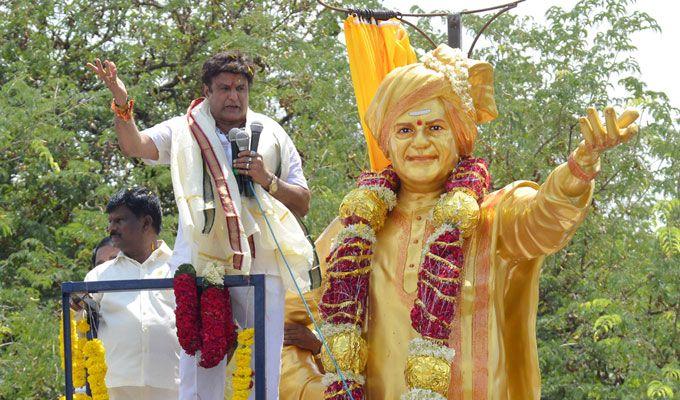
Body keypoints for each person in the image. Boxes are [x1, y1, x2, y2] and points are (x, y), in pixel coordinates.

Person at [282, 44, 640, 399]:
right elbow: (280, 319)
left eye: (435, 127)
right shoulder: (353, 232)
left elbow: (545, 219)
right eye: (405, 130)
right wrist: (313, 389)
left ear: (460, 137)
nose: (420, 142)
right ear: (387, 143)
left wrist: (580, 167)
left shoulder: (494, 217)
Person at [87, 50, 314, 400]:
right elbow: (135, 145)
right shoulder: (185, 129)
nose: (233, 96)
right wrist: (120, 100)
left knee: (263, 363)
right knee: (198, 361)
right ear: (207, 91)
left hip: (262, 260)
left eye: (240, 88)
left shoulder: (270, 133)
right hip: (201, 260)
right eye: (224, 88)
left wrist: (266, 178)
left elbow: (302, 201)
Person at [84, 187, 180, 399]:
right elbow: (81, 327)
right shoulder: (98, 276)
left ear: (146, 223)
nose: (111, 229)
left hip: (173, 386)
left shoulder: (180, 269)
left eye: (119, 221)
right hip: (115, 387)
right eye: (110, 222)